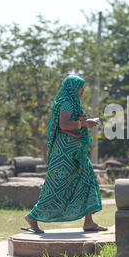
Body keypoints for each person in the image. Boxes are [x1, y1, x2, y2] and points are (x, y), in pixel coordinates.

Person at [22, 75, 108, 234]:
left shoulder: (73, 102)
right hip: (65, 154)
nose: (83, 90)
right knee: (57, 186)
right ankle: (32, 217)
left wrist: (83, 120)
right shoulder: (67, 102)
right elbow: (63, 124)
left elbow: (72, 124)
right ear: (73, 87)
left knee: (87, 180)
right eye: (81, 87)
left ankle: (89, 222)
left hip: (76, 152)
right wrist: (84, 123)